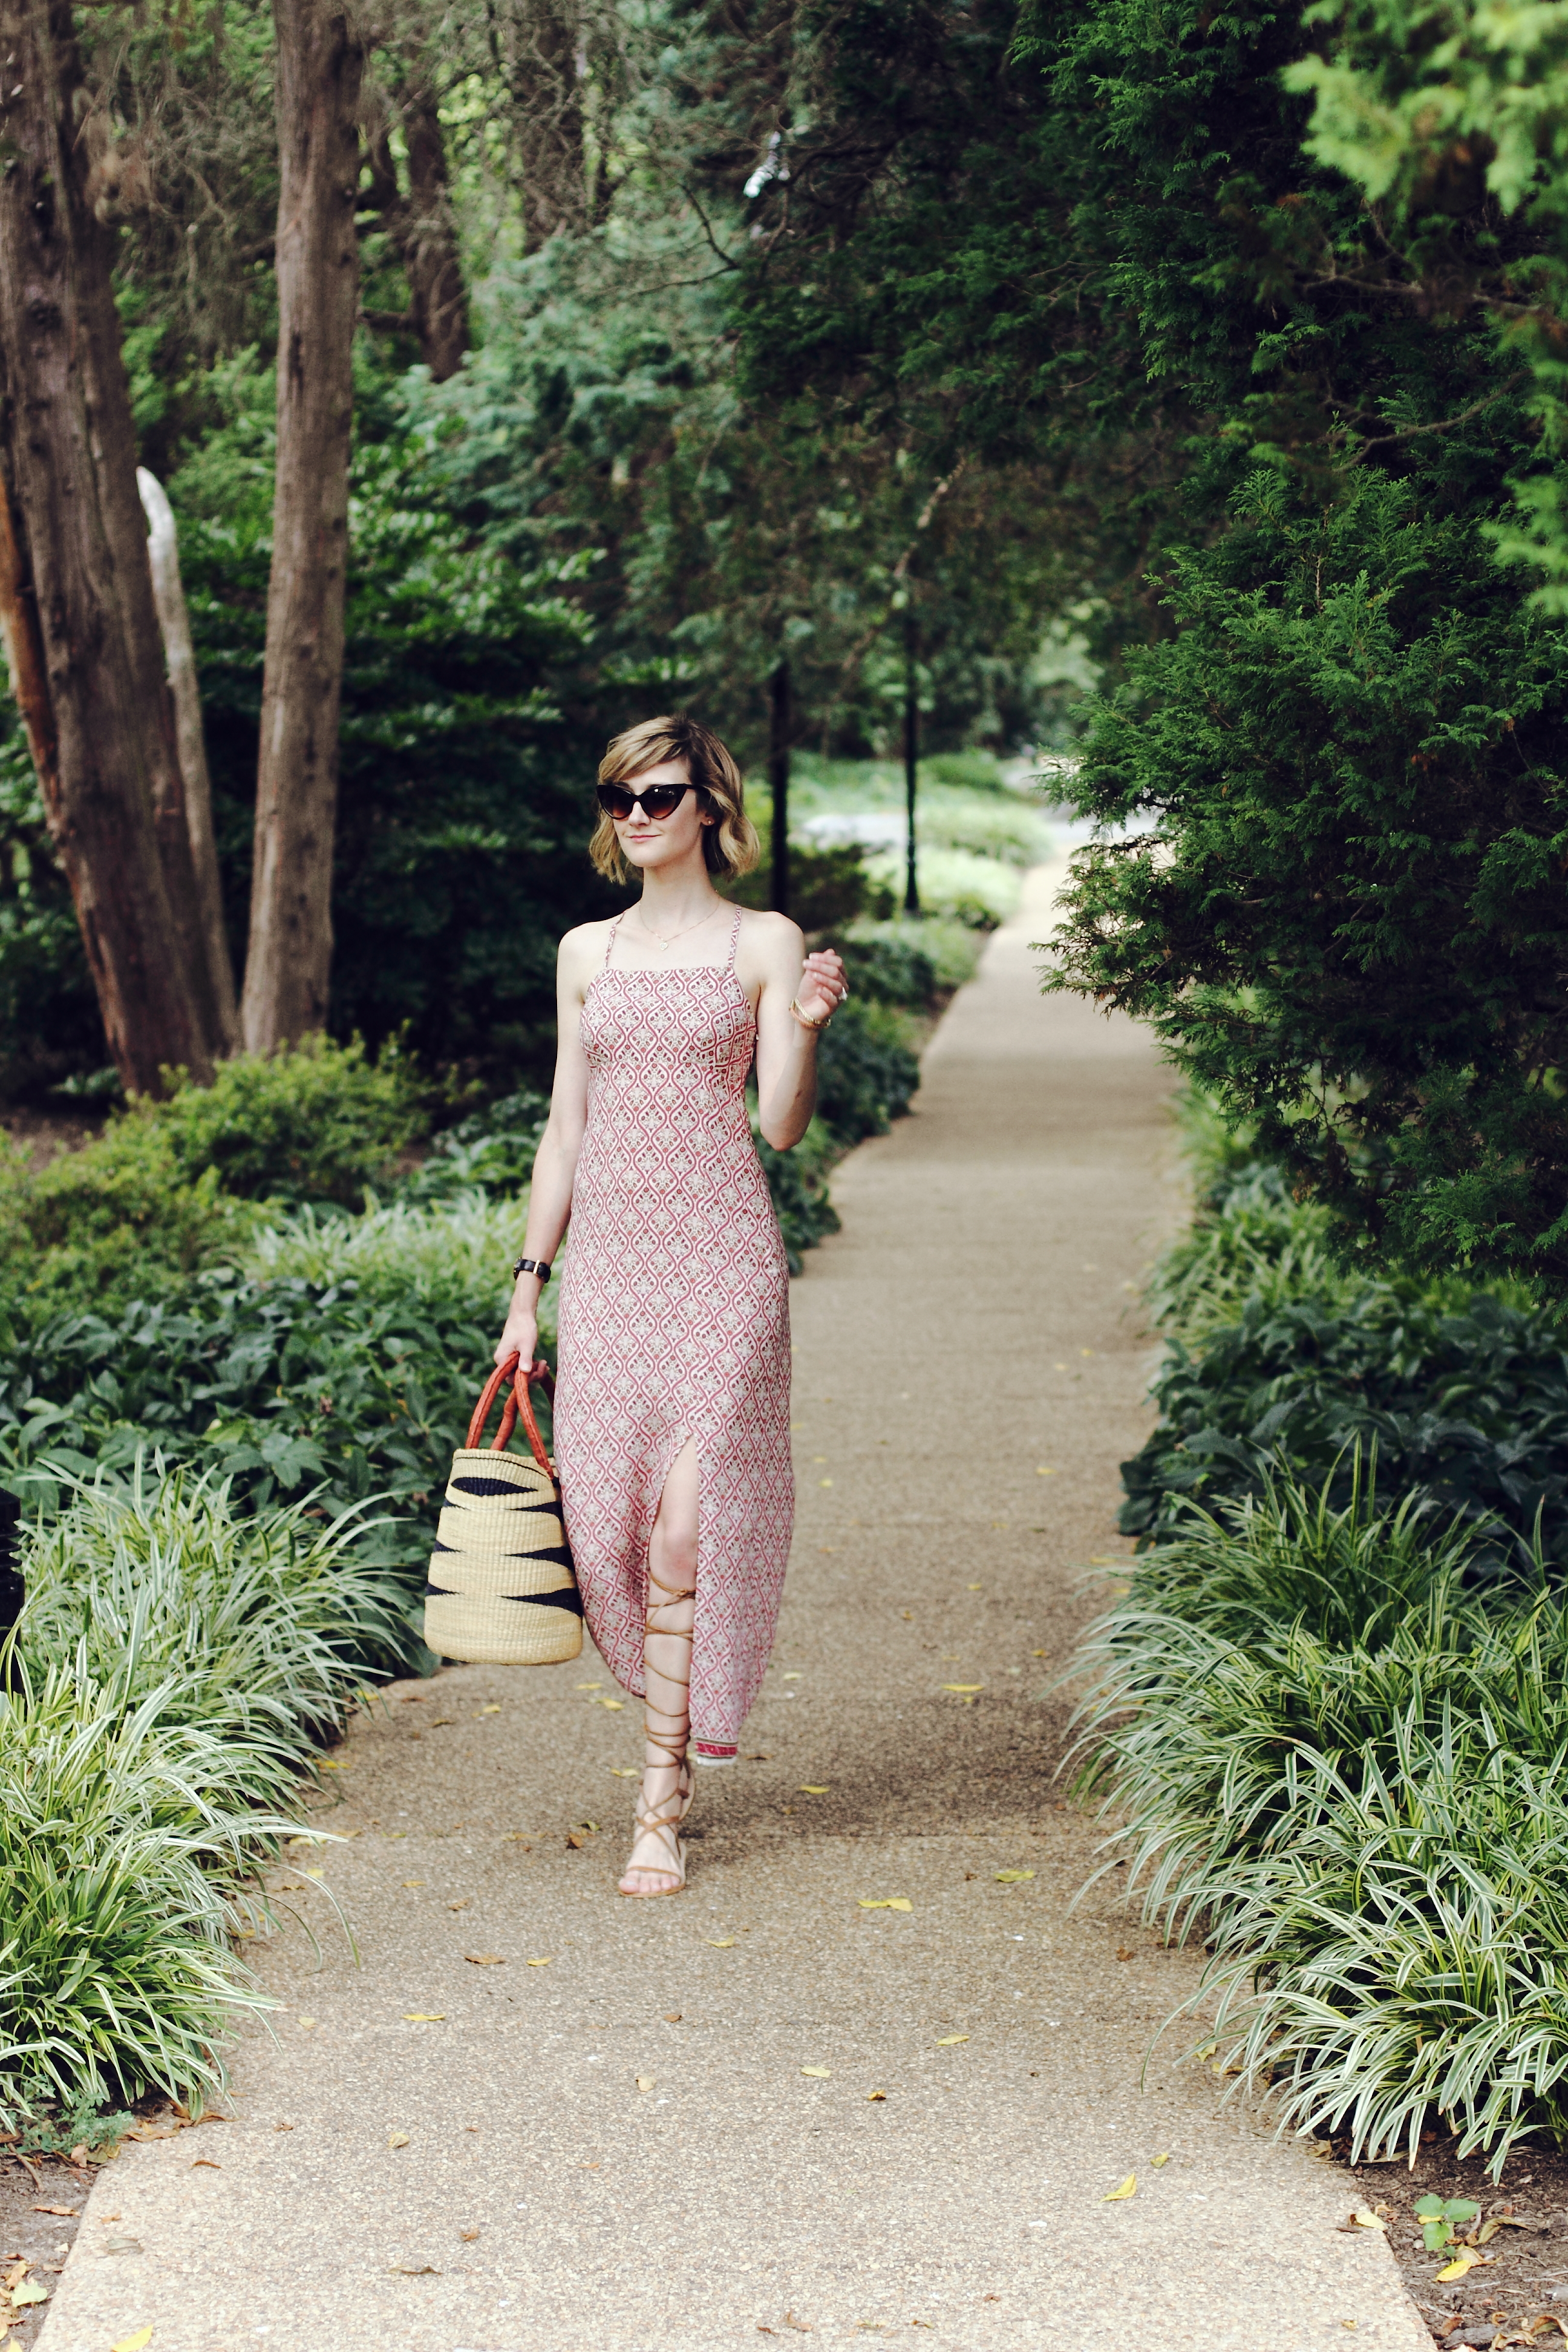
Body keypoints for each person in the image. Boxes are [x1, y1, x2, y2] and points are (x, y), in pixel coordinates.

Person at [495, 714, 848, 1896]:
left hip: (724, 1263)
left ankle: (659, 1798)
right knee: (610, 1532)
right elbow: (563, 1129)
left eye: (660, 796)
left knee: (685, 1527)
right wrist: (526, 1291)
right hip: (610, 1275)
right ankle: (666, 1730)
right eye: (620, 800)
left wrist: (801, 1028)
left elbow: (781, 1126)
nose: (637, 817)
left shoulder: (767, 939)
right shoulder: (584, 954)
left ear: (711, 807)